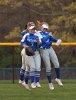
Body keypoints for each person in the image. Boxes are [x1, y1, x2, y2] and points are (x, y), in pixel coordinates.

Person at [38, 22, 63, 90]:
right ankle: (50, 83)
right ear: (41, 28)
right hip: (43, 50)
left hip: (50, 49)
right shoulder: (38, 33)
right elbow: (42, 41)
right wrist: (48, 36)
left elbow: (54, 39)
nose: (45, 30)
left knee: (57, 64)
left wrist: (58, 40)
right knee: (48, 67)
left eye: (46, 29)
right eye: (44, 28)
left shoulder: (48, 34)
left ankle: (58, 78)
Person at [20, 23, 41, 89]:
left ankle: (37, 82)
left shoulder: (36, 36)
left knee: (38, 67)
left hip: (35, 53)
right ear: (29, 30)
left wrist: (38, 42)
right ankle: (32, 83)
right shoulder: (26, 35)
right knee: (32, 67)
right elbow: (22, 42)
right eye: (32, 29)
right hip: (28, 53)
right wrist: (24, 46)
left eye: (34, 29)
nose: (33, 30)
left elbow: (40, 46)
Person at [19, 22, 35, 90]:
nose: (32, 27)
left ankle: (24, 82)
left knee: (27, 67)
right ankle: (21, 79)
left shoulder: (34, 32)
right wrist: (27, 28)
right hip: (25, 50)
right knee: (24, 66)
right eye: (30, 26)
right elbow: (22, 33)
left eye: (32, 26)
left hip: (31, 51)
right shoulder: (26, 32)